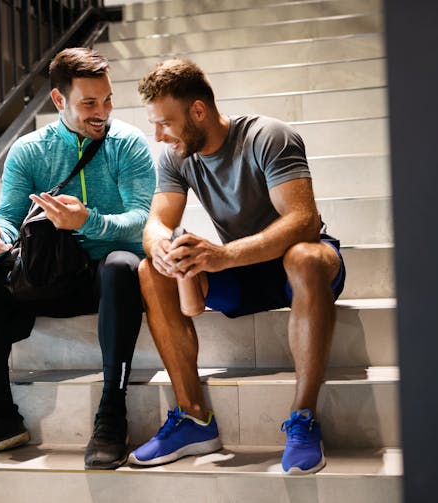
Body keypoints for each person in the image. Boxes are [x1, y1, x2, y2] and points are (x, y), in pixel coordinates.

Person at [0, 48, 155, 470]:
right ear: (58, 101)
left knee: (123, 265)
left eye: (107, 99)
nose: (101, 112)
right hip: (49, 277)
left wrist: (87, 221)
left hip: (107, 284)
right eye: (89, 103)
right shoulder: (29, 150)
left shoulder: (128, 144)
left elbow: (140, 220)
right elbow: (11, 220)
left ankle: (112, 413)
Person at [128, 59, 346, 475]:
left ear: (198, 111)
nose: (158, 135)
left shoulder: (268, 136)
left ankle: (303, 419)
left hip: (296, 266)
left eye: (165, 123)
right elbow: (158, 221)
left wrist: (224, 255)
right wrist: (162, 248)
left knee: (305, 255)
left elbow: (304, 221)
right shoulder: (176, 156)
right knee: (147, 270)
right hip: (242, 269)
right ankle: (193, 418)